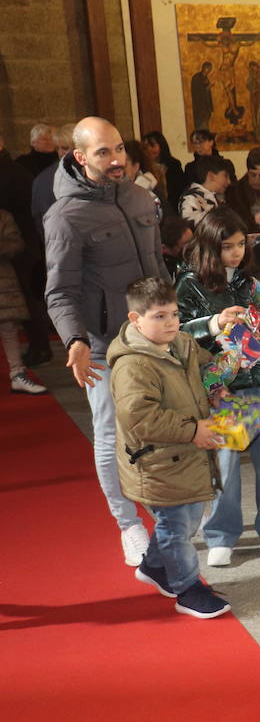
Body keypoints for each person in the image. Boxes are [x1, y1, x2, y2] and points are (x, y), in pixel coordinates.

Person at [44, 117, 164, 566]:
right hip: (103, 346)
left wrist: (178, 321)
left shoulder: (136, 195)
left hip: (152, 338)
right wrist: (74, 338)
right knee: (111, 433)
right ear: (80, 157)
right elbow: (60, 290)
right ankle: (128, 525)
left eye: (118, 149)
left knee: (155, 427)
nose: (116, 160)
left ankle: (160, 509)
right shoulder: (65, 215)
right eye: (103, 153)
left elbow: (157, 266)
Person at [177, 206, 260, 566]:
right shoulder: (190, 281)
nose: (235, 253)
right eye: (226, 247)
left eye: (239, 245)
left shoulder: (255, 273)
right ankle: (221, 534)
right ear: (208, 247)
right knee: (227, 460)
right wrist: (214, 322)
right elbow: (179, 330)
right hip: (221, 384)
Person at [109, 276, 231, 619]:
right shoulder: (132, 364)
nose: (171, 322)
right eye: (159, 316)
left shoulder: (182, 343)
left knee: (184, 518)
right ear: (136, 319)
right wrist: (193, 430)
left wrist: (215, 388)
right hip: (157, 461)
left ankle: (154, 566)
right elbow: (139, 417)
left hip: (186, 455)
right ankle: (187, 588)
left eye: (174, 314)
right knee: (177, 525)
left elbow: (203, 369)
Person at [0, 206, 45, 393]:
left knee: (8, 326)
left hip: (3, 280)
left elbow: (17, 243)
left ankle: (17, 373)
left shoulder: (3, 216)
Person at [179, 155, 231, 225]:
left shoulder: (216, 197)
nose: (229, 182)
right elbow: (190, 224)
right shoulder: (190, 199)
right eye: (225, 176)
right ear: (211, 176)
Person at [142, 130, 187, 202]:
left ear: (161, 145)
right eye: (146, 147)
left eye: (152, 145)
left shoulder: (173, 164)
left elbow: (180, 189)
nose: (149, 149)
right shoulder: (143, 166)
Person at [160, 215, 194, 280]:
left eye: (193, 241)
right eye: (187, 244)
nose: (192, 247)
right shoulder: (164, 271)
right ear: (166, 249)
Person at [191, 62, 214, 131]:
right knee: (201, 123)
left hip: (206, 105)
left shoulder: (205, 77)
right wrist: (207, 88)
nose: (209, 71)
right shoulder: (197, 77)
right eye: (209, 69)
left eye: (210, 69)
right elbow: (197, 91)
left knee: (206, 121)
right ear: (205, 68)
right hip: (200, 106)